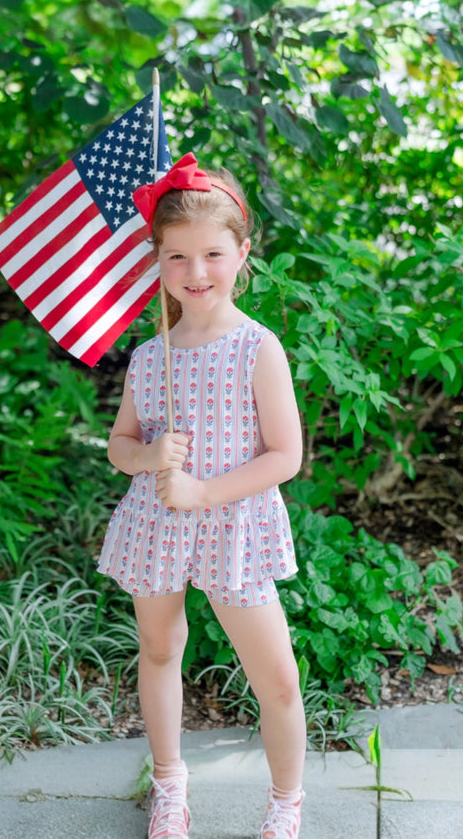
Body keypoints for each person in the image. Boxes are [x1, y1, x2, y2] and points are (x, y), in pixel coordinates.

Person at [97, 153, 306, 839]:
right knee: (159, 649)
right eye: (176, 256)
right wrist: (149, 457)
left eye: (212, 254)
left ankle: (285, 804)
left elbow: (286, 454)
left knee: (273, 676)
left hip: (233, 527)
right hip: (157, 524)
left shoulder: (256, 348)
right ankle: (169, 786)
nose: (195, 273)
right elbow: (120, 445)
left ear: (242, 253)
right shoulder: (151, 354)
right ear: (157, 259)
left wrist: (205, 490)